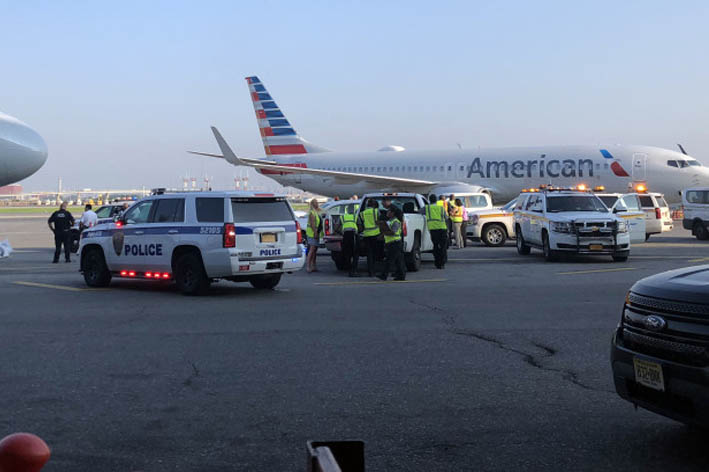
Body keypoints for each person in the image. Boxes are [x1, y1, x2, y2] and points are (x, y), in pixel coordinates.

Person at [377, 208, 405, 281]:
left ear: (393, 213)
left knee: (389, 260)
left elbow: (393, 232)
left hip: (395, 243)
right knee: (398, 261)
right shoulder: (390, 221)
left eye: (389, 211)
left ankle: (384, 275)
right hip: (391, 243)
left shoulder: (395, 221)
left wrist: (385, 232)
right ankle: (401, 276)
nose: (387, 213)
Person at [357, 199, 381, 276]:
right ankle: (375, 270)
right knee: (375, 253)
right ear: (374, 205)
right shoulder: (376, 211)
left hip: (366, 235)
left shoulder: (362, 213)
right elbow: (381, 222)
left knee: (369, 254)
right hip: (376, 234)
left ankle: (370, 271)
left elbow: (360, 226)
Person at [425, 194, 448, 269]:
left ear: (429, 200)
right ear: (436, 200)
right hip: (442, 228)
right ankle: (443, 262)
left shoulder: (427, 208)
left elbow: (419, 212)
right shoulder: (441, 208)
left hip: (433, 229)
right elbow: (446, 217)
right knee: (443, 246)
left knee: (435, 246)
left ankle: (437, 262)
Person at [341, 204, 360, 277]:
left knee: (347, 253)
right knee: (355, 253)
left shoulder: (343, 216)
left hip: (345, 235)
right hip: (353, 235)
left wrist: (341, 232)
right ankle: (354, 270)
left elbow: (337, 227)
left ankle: (349, 269)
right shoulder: (355, 216)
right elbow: (359, 225)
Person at [306, 199, 322, 272]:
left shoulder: (316, 212)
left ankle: (313, 265)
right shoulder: (312, 213)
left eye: (317, 202)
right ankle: (308, 266)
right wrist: (315, 233)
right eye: (315, 203)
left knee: (315, 250)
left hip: (316, 233)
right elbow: (312, 224)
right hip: (312, 233)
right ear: (312, 204)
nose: (317, 204)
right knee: (312, 250)